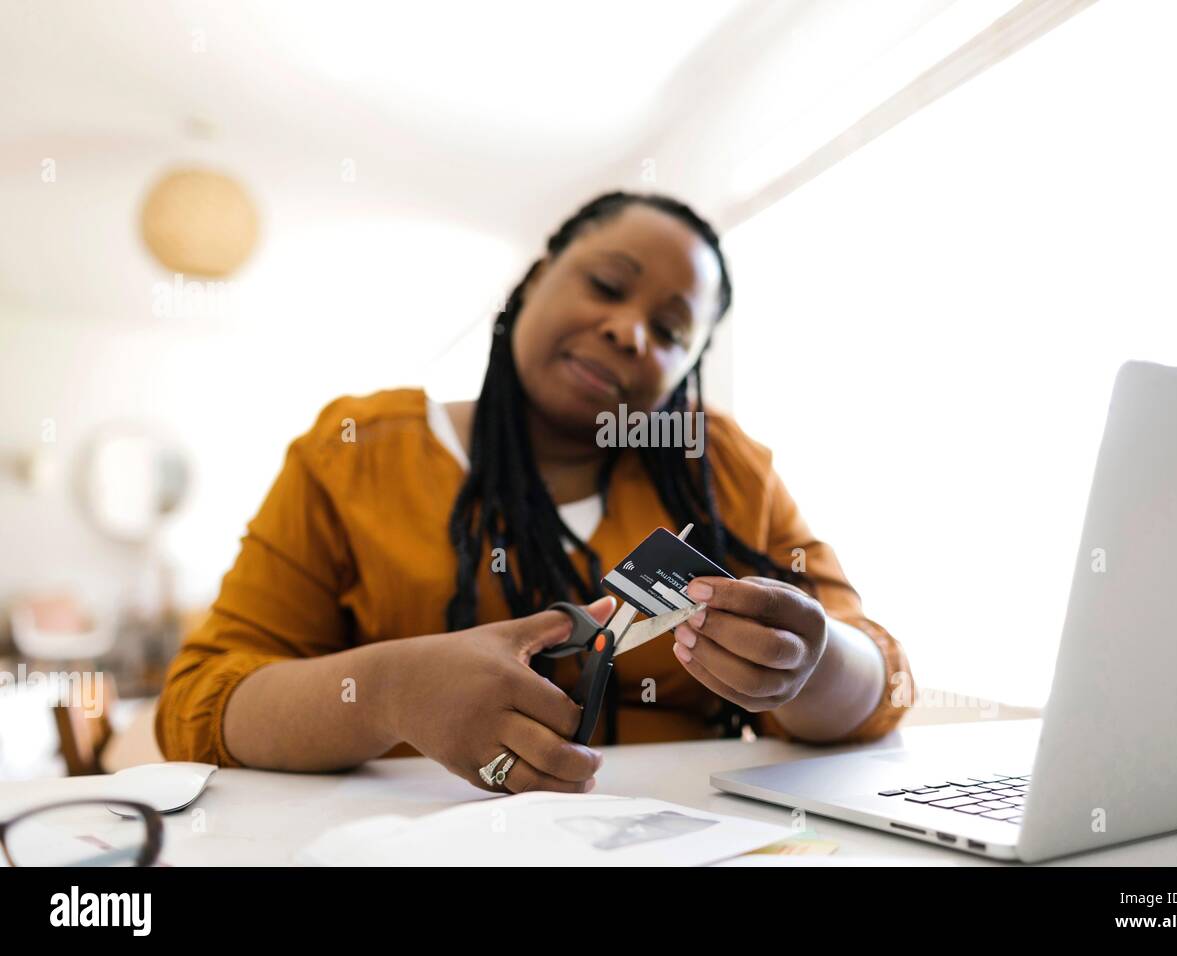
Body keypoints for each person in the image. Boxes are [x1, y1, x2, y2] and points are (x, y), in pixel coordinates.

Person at [156, 191, 913, 794]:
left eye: (671, 330)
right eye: (608, 285)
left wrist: (812, 663)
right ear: (537, 275)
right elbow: (199, 706)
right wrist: (384, 690)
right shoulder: (353, 454)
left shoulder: (723, 468)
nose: (629, 332)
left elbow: (879, 678)